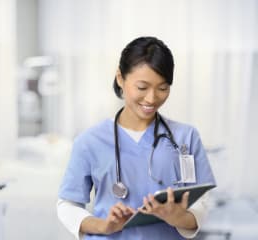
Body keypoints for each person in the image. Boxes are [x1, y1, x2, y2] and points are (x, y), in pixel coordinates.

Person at [57, 36, 216, 239]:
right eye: (142, 87)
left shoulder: (186, 137)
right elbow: (67, 205)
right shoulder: (89, 141)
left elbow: (202, 201)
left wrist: (179, 217)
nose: (151, 98)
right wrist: (104, 226)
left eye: (162, 88)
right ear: (120, 78)